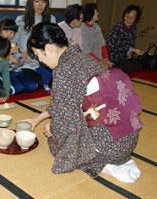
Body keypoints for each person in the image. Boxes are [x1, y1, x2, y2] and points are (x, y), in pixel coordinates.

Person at [23, 22, 142, 183]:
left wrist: (52, 127)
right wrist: (37, 119)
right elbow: (64, 103)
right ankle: (117, 158)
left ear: (49, 48)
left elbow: (65, 121)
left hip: (108, 146)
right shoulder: (84, 58)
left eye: (39, 55)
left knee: (56, 143)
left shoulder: (63, 70)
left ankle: (102, 164)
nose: (41, 61)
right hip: (128, 138)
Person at [13, 0, 56, 91]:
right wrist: (21, 53)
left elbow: (54, 42)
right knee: (33, 85)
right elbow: (14, 43)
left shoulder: (51, 19)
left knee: (55, 79)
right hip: (25, 61)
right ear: (31, 3)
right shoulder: (21, 19)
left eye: (43, 2)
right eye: (37, 1)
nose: (40, 5)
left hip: (45, 61)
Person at [0, 17, 38, 95]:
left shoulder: (15, 44)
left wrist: (24, 57)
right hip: (3, 72)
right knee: (17, 88)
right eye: (6, 31)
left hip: (16, 71)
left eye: (12, 32)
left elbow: (19, 60)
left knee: (33, 86)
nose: (9, 34)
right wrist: (8, 56)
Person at [106, 5, 143, 71]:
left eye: (131, 18)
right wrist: (132, 49)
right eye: (127, 17)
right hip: (115, 58)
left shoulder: (134, 28)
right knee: (132, 66)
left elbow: (131, 44)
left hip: (125, 57)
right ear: (124, 15)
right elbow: (113, 46)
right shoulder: (118, 28)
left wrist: (134, 52)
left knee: (140, 63)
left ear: (136, 19)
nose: (128, 19)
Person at [81, 3, 113, 68]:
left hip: (98, 59)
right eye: (96, 12)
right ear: (90, 13)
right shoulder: (82, 27)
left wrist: (106, 59)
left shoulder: (97, 26)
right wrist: (101, 61)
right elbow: (86, 51)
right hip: (86, 61)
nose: (98, 13)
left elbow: (102, 44)